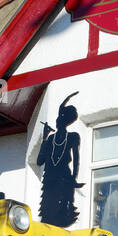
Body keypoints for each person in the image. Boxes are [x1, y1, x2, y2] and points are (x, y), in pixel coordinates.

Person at [37, 94, 82, 227]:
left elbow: (76, 159)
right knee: (48, 216)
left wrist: (73, 179)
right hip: (50, 181)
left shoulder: (73, 137)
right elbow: (39, 161)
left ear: (66, 120)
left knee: (61, 215)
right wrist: (44, 138)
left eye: (61, 116)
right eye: (58, 115)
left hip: (63, 180)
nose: (57, 119)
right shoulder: (50, 139)